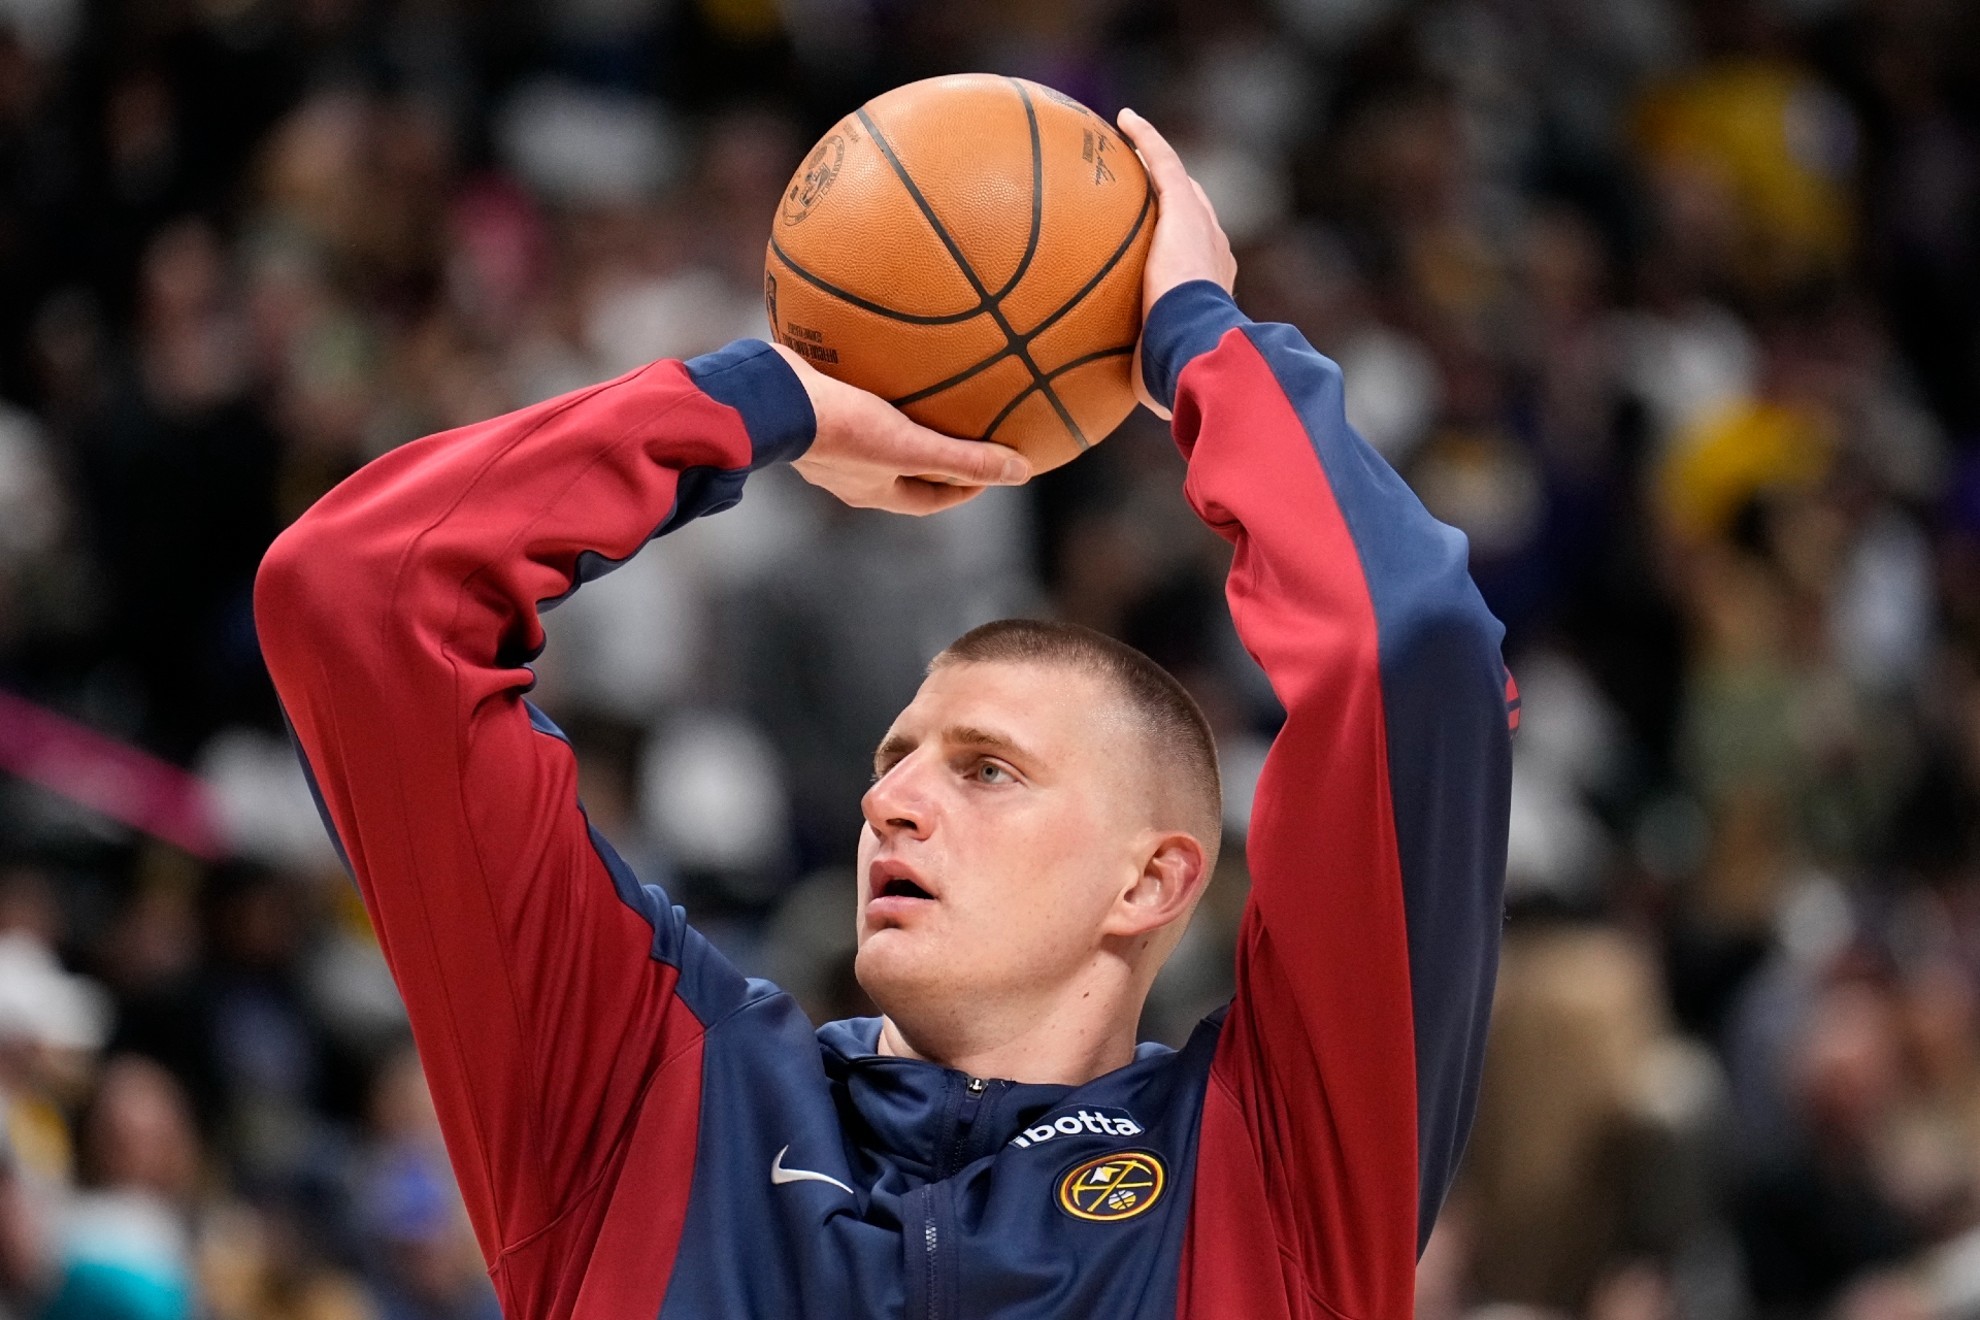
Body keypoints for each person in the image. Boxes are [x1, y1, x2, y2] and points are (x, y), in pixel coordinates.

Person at [255, 110, 1513, 1320]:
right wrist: (765, 406)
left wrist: (1197, 339)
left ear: (1154, 882)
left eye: (988, 771)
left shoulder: (1283, 1162)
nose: (888, 800)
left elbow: (1410, 654)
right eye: (896, 759)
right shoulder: (650, 1093)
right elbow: (360, 600)